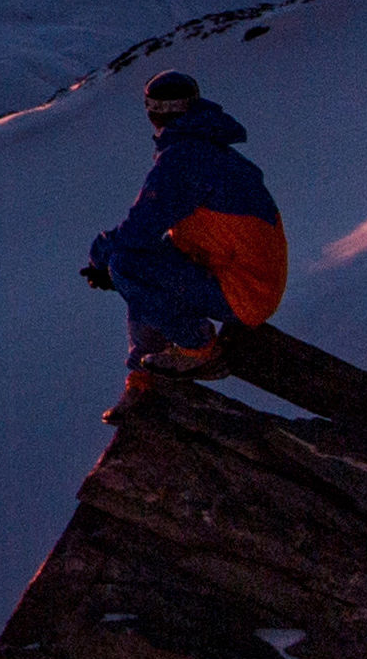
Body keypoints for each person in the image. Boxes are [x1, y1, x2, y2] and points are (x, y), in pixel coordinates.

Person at [83, 70, 288, 420]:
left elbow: (139, 230)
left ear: (153, 113)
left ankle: (198, 349)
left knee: (127, 264)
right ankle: (145, 378)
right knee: (138, 264)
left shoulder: (184, 160)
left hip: (243, 291)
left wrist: (100, 256)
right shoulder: (210, 153)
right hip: (246, 280)